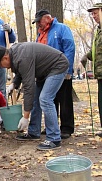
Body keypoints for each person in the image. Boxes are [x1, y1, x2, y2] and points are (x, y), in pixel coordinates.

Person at [0, 42, 69, 150]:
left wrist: (25, 117)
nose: (3, 68)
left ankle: (54, 138)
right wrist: (14, 84)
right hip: (44, 71)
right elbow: (20, 71)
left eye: (1, 65)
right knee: (36, 100)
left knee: (45, 99)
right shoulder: (15, 53)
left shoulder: (22, 57)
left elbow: (29, 88)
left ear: (5, 58)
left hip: (57, 66)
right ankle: (34, 132)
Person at [32, 9, 75, 139]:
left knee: (64, 99)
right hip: (46, 73)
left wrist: (68, 69)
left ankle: (66, 128)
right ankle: (52, 125)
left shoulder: (62, 29)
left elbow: (70, 48)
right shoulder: (40, 34)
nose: (38, 24)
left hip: (61, 69)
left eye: (39, 21)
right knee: (51, 99)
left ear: (47, 18)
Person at [81, 3, 102, 137]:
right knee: (101, 103)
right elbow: (96, 49)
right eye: (92, 14)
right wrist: (86, 56)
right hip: (100, 73)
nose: (94, 16)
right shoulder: (98, 31)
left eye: (96, 13)